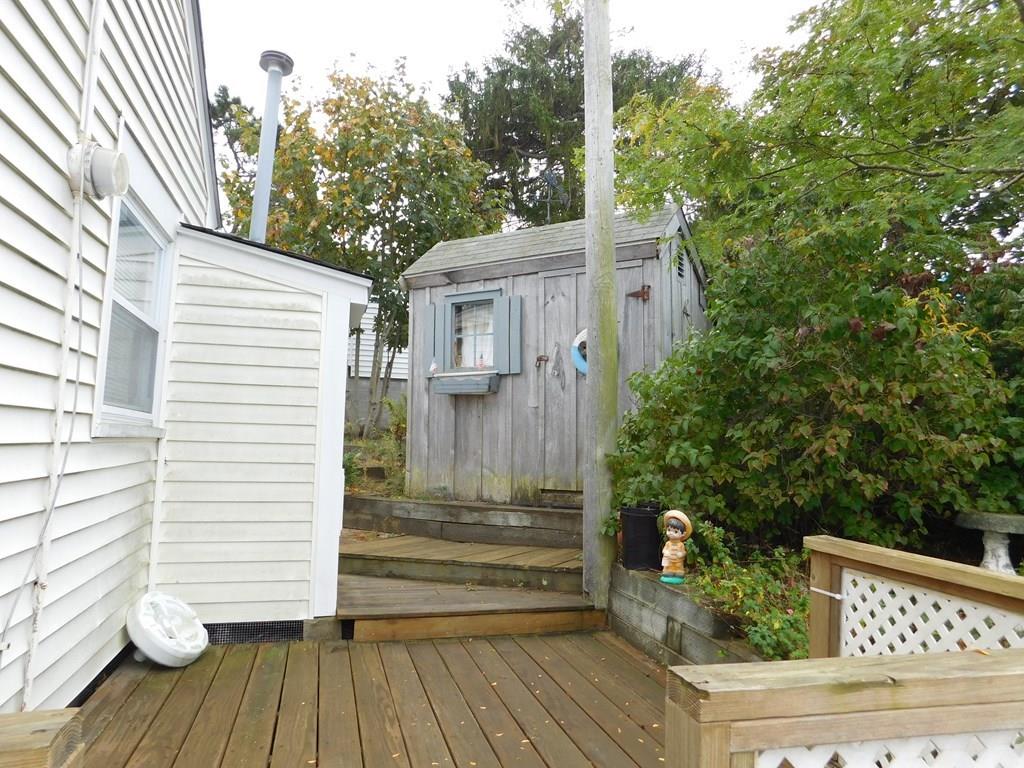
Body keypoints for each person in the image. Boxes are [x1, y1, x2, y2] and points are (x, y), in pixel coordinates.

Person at [660, 510, 692, 584]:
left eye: (675, 532)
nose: (671, 533)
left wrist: (681, 554)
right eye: (669, 530)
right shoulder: (668, 543)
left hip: (678, 563)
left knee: (679, 571)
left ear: (683, 534)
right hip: (669, 562)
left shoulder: (681, 544)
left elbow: (683, 552)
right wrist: (666, 552)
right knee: (667, 571)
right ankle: (668, 574)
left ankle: (678, 575)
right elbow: (664, 550)